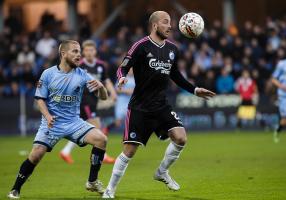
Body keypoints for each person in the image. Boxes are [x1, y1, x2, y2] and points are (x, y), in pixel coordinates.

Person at [102, 11, 216, 198]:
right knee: (129, 151)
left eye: (170, 22)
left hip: (161, 105)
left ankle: (162, 172)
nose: (170, 26)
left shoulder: (173, 49)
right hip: (140, 106)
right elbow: (123, 67)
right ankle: (110, 190)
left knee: (181, 138)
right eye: (165, 22)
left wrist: (195, 90)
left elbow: (176, 76)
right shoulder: (140, 46)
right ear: (155, 25)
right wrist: (122, 78)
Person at [7, 40, 108, 199]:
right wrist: (47, 116)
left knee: (101, 139)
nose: (78, 55)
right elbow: (40, 99)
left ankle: (92, 181)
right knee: (35, 156)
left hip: (74, 122)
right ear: (63, 54)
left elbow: (103, 97)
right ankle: (15, 189)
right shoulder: (48, 74)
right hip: (52, 123)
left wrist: (101, 87)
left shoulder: (82, 74)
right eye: (74, 51)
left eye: (79, 51)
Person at [59, 40, 117, 164]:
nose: (89, 53)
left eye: (92, 50)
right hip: (84, 100)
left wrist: (113, 92)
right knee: (96, 126)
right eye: (86, 50)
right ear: (83, 52)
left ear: (95, 51)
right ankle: (104, 155)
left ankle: (65, 151)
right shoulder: (80, 66)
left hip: (94, 99)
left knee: (83, 128)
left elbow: (106, 80)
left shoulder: (101, 65)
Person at [103, 69, 135, 134]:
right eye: (130, 69)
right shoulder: (123, 78)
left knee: (132, 119)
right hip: (122, 101)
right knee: (118, 121)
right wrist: (126, 91)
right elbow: (117, 89)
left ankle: (131, 135)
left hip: (132, 101)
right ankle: (106, 129)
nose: (131, 71)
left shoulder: (136, 78)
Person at [272, 58, 286, 143]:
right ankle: (277, 132)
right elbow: (273, 79)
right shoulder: (282, 64)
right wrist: (282, 86)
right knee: (285, 119)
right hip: (284, 95)